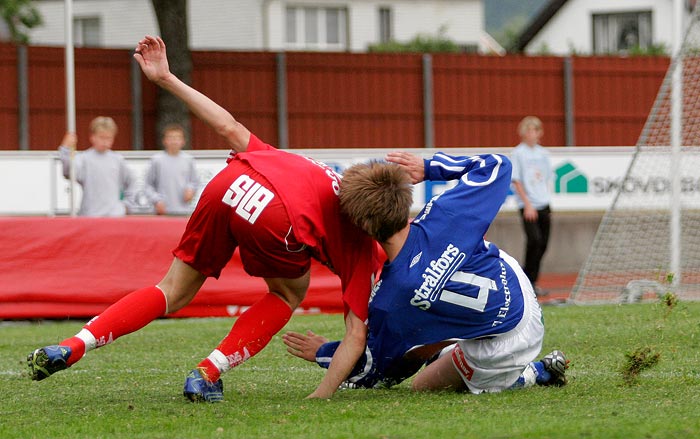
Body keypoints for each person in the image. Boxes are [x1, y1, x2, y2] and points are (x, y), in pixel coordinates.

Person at [27, 35, 379, 402]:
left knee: (172, 290)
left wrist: (165, 78)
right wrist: (320, 397)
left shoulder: (312, 167)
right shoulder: (363, 242)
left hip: (228, 184)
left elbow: (228, 127)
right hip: (276, 215)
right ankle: (206, 373)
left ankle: (73, 344)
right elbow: (356, 335)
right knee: (287, 293)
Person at [284, 151, 568, 393]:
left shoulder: (389, 298)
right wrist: (429, 167)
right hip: (518, 289)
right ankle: (462, 349)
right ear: (404, 198)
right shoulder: (443, 212)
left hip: (506, 343)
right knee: (427, 327)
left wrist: (324, 353)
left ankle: (533, 372)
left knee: (422, 384)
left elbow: (378, 369)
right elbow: (497, 165)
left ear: (364, 228)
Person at [58, 116, 135, 217]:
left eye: (109, 138)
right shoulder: (83, 159)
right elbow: (69, 172)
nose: (105, 142)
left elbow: (131, 182)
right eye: (102, 137)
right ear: (92, 137)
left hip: (114, 216)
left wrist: (127, 205)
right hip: (90, 215)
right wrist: (65, 149)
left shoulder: (118, 160)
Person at [510, 116, 553, 297]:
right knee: (534, 241)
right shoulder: (518, 153)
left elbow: (546, 178)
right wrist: (527, 204)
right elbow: (516, 180)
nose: (531, 134)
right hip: (529, 205)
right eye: (528, 130)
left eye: (534, 130)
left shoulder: (544, 154)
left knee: (543, 244)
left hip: (544, 203)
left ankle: (533, 281)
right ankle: (527, 281)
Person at [144, 123, 200, 215]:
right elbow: (148, 185)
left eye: (177, 138)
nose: (174, 141)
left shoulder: (188, 160)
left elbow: (194, 182)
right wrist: (157, 200)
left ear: (183, 141)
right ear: (164, 141)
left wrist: (191, 190)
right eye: (170, 138)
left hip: (183, 211)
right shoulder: (157, 160)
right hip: (162, 212)